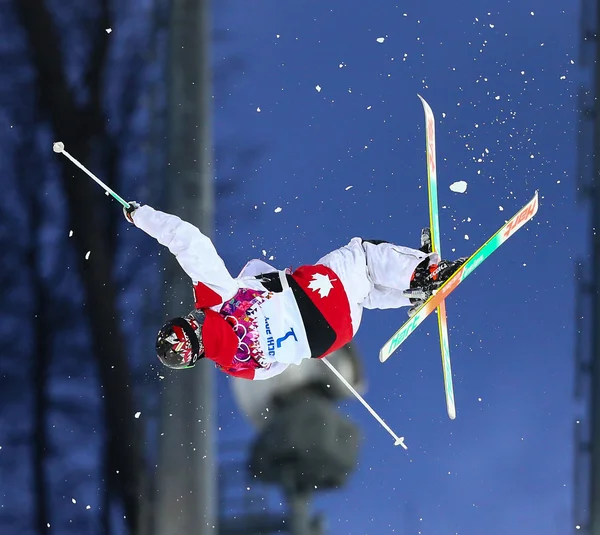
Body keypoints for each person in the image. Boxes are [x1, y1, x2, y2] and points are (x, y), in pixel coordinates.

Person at [124, 202, 466, 380]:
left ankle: (410, 293)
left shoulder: (230, 366)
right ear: (189, 324)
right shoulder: (215, 300)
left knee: (359, 291)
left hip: (330, 338)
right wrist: (142, 216)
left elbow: (275, 368)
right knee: (363, 256)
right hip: (315, 298)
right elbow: (188, 242)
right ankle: (425, 273)